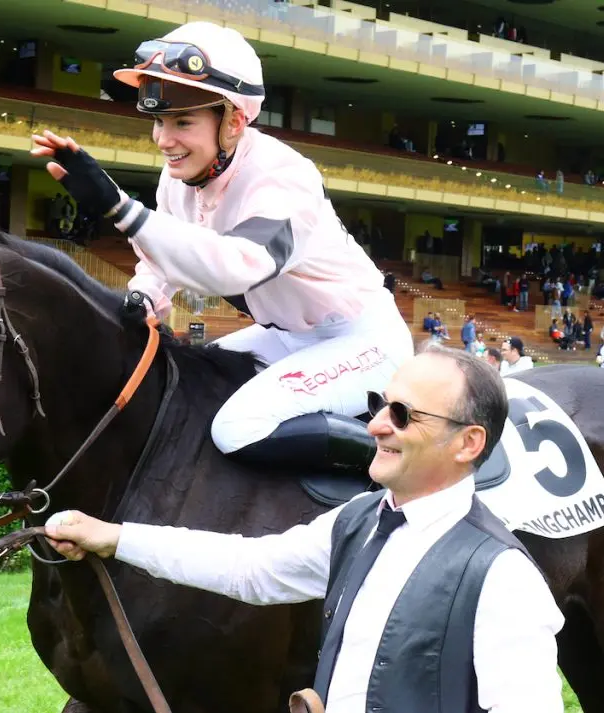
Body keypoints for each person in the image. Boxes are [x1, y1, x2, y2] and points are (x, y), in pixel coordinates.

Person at [44, 347, 565, 712]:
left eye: (403, 415)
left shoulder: (502, 578)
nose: (376, 425)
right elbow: (250, 567)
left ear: (468, 443)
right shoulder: (355, 523)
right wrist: (114, 537)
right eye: (379, 404)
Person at [30, 22, 413, 476]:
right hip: (285, 335)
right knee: (187, 388)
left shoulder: (284, 176)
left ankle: (406, 471)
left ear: (233, 121)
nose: (163, 140)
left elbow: (237, 267)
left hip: (361, 341)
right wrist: (142, 301)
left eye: (182, 122)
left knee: (238, 426)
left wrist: (119, 208)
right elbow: (159, 263)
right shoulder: (179, 180)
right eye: (158, 121)